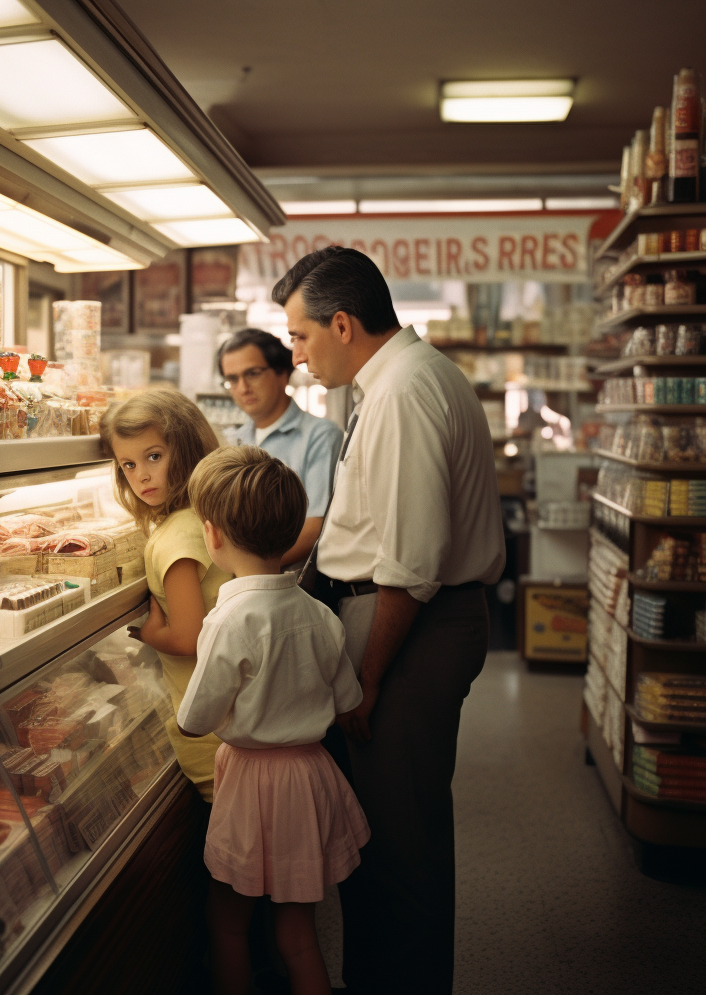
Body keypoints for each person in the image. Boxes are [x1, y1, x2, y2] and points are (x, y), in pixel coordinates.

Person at [277, 246, 506, 995]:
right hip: (400, 623)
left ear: (342, 324)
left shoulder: (405, 391)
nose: (297, 356)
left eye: (301, 337)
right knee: (383, 836)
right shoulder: (403, 378)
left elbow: (410, 563)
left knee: (398, 845)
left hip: (407, 632)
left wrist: (366, 681)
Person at [177, 445, 368, 995]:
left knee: (229, 922)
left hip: (253, 784)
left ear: (211, 536)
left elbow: (195, 719)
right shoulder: (319, 614)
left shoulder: (228, 619)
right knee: (299, 933)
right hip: (309, 776)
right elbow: (347, 699)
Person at [98, 390, 229, 803]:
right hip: (234, 719)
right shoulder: (205, 517)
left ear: (188, 449)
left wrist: (149, 635)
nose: (141, 476)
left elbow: (189, 638)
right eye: (129, 464)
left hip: (213, 736)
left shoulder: (174, 537)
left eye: (154, 456)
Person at [219, 327, 342, 566]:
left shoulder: (320, 436)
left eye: (252, 374)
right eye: (232, 379)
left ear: (282, 373)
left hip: (294, 589)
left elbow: (314, 529)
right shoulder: (232, 441)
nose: (243, 388)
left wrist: (251, 572)